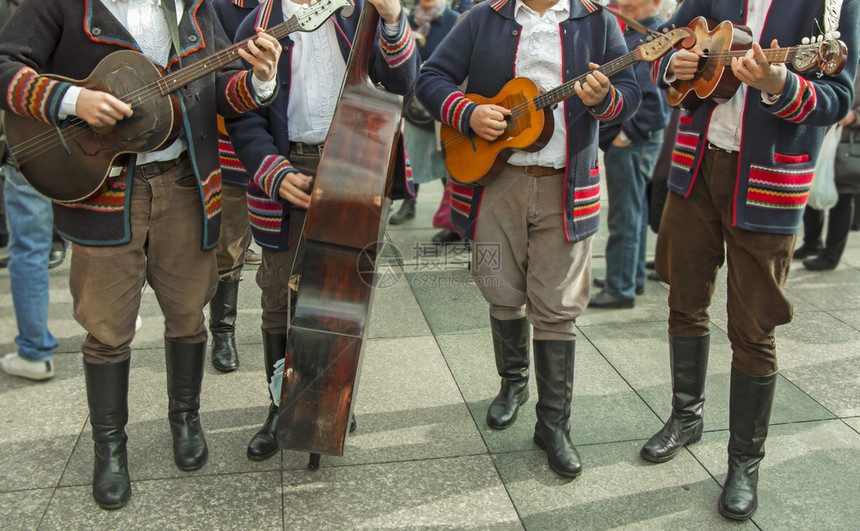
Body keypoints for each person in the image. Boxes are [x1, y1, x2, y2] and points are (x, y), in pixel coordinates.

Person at [0, 0, 281, 510]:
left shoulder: (191, 4)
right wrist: (70, 100)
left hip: (186, 185)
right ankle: (110, 450)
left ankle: (186, 419)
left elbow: (216, 86)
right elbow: (4, 64)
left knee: (188, 314)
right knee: (106, 330)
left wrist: (259, 79)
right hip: (102, 192)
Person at [641, 0, 858, 521]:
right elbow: (664, 42)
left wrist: (779, 85)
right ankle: (685, 417)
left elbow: (840, 94)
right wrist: (676, 64)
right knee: (684, 302)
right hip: (695, 165)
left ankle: (744, 462)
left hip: (767, 180)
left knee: (754, 326)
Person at [416, 0, 641, 477]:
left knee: (558, 305)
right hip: (497, 182)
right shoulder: (482, 16)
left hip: (567, 181)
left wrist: (604, 100)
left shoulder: (598, 19)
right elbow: (430, 78)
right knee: (500, 290)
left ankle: (554, 424)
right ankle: (512, 383)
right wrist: (467, 114)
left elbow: (629, 96)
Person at [225, 0, 418, 462]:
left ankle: (332, 394)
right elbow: (241, 111)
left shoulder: (361, 11)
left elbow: (403, 86)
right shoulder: (259, 17)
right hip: (285, 167)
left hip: (358, 162)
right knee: (277, 294)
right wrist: (272, 170)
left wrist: (393, 19)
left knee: (343, 294)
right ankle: (279, 407)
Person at [590, 0, 670, 308]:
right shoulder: (641, 34)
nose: (624, 2)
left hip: (633, 139)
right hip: (632, 138)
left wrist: (626, 136)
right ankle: (629, 278)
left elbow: (653, 104)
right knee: (631, 213)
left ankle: (620, 286)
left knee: (625, 216)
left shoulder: (653, 35)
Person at [0, 0, 59, 382]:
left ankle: (35, 351)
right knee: (102, 234)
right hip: (91, 140)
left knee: (30, 250)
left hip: (29, 140)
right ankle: (116, 318)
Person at [209, 0, 260, 373]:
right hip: (233, 139)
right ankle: (222, 331)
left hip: (287, 139)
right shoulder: (216, 6)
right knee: (228, 244)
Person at [397, 0, 459, 235]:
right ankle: (409, 204)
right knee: (411, 156)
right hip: (414, 101)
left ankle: (450, 214)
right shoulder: (410, 19)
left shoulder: (455, 19)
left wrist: (432, 70)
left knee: (447, 160)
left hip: (442, 101)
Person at [794, 63, 860, 271]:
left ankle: (832, 255)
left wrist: (855, 116)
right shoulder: (837, 58)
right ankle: (812, 243)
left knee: (843, 196)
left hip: (847, 141)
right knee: (810, 189)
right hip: (820, 134)